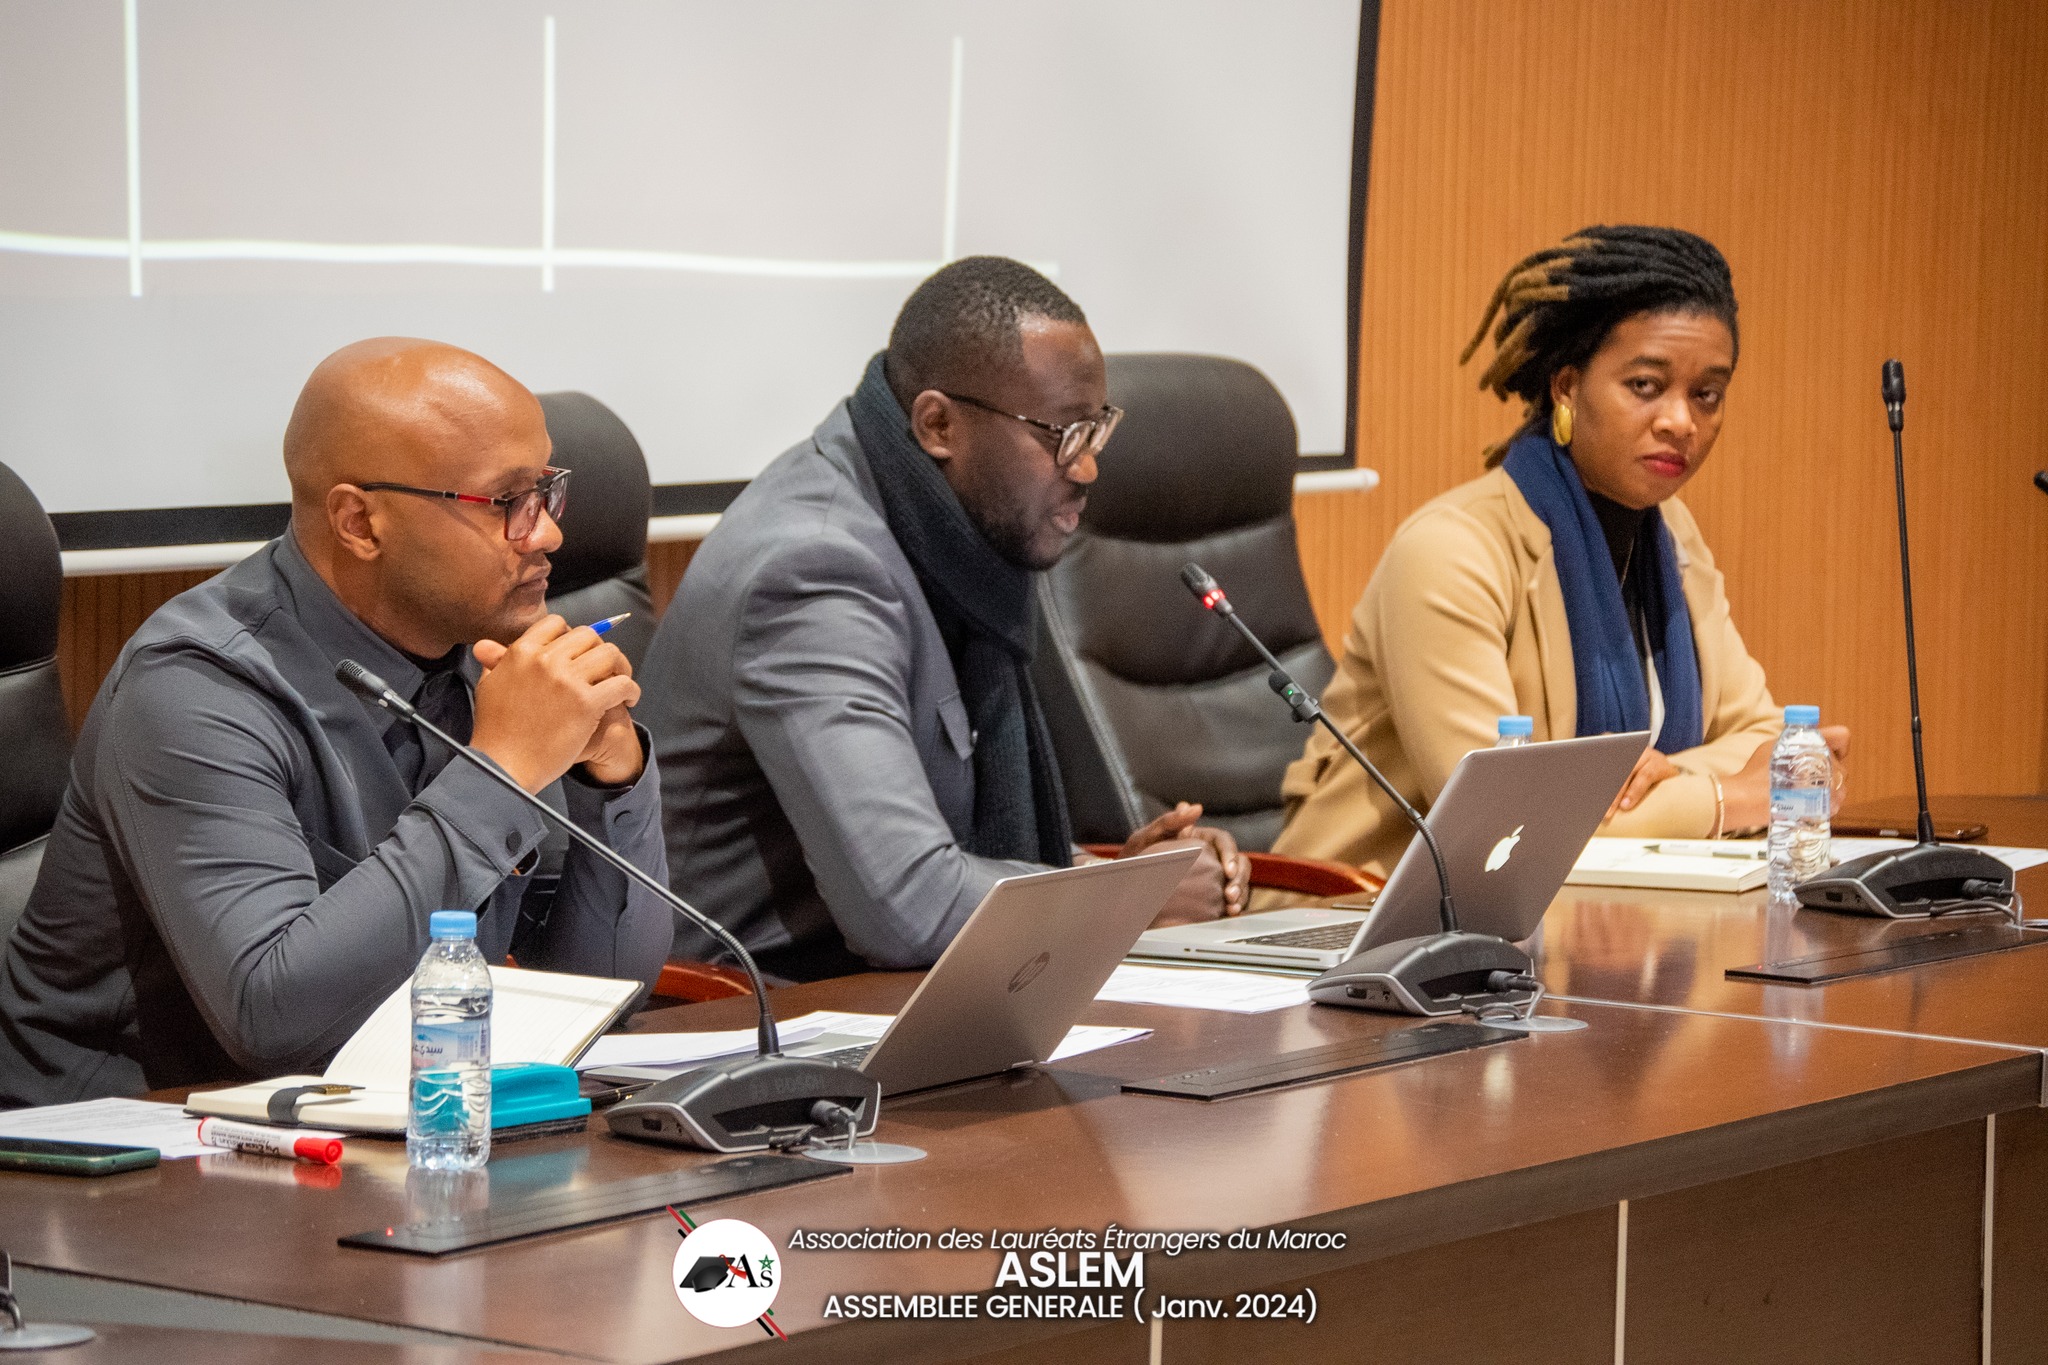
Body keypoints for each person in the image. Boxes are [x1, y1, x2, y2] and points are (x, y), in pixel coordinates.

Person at [0, 338, 674, 1107]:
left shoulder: (478, 655)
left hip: (374, 1125)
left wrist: (610, 778)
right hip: (120, 1159)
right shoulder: (193, 685)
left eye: (548, 489)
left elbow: (598, 988)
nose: (547, 532)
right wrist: (502, 771)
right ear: (359, 521)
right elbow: (274, 1017)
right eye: (506, 503)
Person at [640, 256, 1251, 982]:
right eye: (1061, 435)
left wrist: (1105, 871)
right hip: (754, 1022)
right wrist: (1126, 897)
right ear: (938, 424)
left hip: (885, 994)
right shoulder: (814, 572)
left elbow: (939, 855)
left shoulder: (954, 537)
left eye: (1096, 430)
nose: (1085, 468)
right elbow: (910, 906)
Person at [1274, 226, 1849, 877]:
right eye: (1644, 385)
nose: (1681, 421)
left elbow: (1762, 738)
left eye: (1706, 394)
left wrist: (1680, 777)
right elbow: (1501, 827)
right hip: (1347, 929)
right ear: (1567, 388)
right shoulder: (1450, 553)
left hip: (1593, 918)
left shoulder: (1671, 534)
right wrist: (1722, 797)